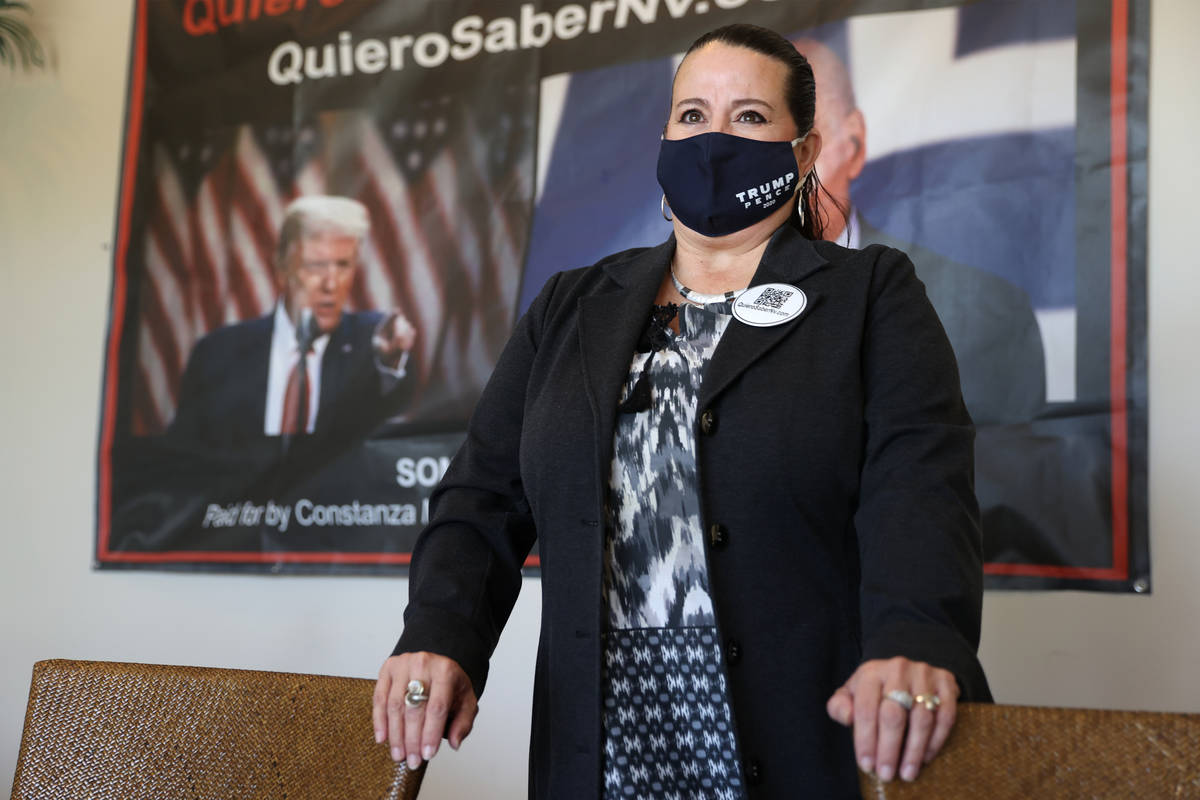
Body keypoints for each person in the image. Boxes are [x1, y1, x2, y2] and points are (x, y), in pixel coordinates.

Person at [374, 24, 990, 799]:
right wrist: (440, 634)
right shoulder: (570, 306)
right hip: (603, 755)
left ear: (804, 153)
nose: (713, 140)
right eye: (693, 115)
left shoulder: (871, 295)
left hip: (809, 743)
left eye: (750, 117)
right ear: (664, 137)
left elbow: (920, 486)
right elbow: (481, 497)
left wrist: (917, 638)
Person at [793, 36, 1046, 426]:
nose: (777, 173)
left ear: (854, 143)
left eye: (803, 144)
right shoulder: (699, 307)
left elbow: (1002, 457)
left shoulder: (986, 309)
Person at [168, 195, 418, 449]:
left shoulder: (372, 344)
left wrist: (389, 362)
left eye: (343, 265)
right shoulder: (218, 351)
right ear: (282, 269)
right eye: (315, 266)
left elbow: (395, 407)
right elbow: (183, 454)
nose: (331, 284)